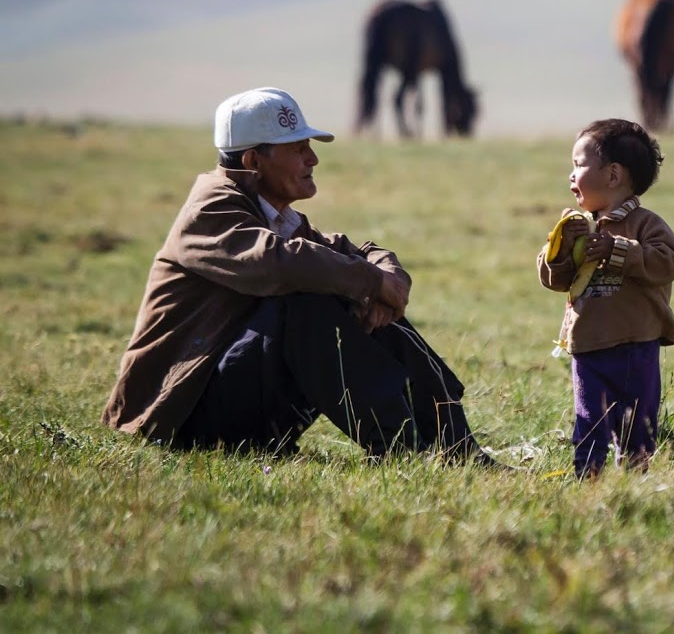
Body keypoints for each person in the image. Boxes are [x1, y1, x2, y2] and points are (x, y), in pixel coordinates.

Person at [102, 86, 497, 464]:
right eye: (298, 149)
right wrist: (372, 284)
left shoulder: (271, 214)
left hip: (230, 407)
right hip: (176, 416)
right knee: (306, 302)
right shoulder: (210, 209)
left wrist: (383, 282)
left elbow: (357, 254)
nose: (313, 159)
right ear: (253, 162)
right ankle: (400, 447)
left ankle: (454, 443)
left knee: (329, 287)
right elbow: (277, 263)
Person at [537, 119, 674, 478]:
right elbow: (554, 279)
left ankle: (634, 481)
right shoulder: (578, 226)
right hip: (587, 346)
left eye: (579, 165)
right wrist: (561, 250)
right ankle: (588, 479)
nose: (571, 175)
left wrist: (617, 250)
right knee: (589, 420)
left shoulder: (646, 225)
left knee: (638, 428)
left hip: (636, 345)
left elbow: (666, 262)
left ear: (613, 175)